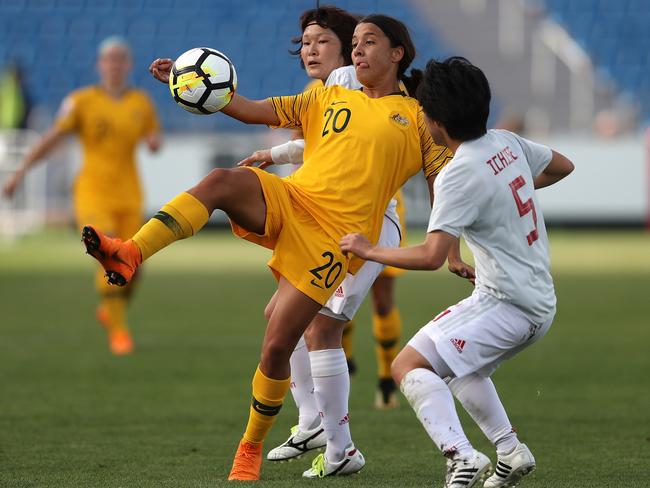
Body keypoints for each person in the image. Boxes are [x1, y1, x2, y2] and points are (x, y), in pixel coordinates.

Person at [83, 14, 454, 481]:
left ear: (397, 53)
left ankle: (251, 449)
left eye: (368, 42)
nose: (356, 50)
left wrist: (451, 247)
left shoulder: (418, 117)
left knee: (279, 343)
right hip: (293, 199)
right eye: (354, 42)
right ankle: (129, 253)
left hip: (336, 239)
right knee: (221, 182)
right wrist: (190, 81)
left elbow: (446, 182)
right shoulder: (328, 93)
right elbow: (251, 108)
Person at [340, 57, 574, 488]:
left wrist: (369, 249)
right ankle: (510, 450)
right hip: (534, 298)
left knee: (408, 365)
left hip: (509, 305)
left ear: (432, 121)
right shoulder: (507, 142)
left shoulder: (457, 173)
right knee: (460, 368)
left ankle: (462, 457)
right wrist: (502, 192)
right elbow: (563, 166)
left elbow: (431, 256)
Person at [236, 6, 413, 473]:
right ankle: (319, 426)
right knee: (279, 316)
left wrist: (274, 151)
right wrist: (275, 152)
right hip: (319, 221)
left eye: (324, 42)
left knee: (319, 326)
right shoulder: (329, 90)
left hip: (362, 225)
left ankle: (337, 445)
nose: (311, 51)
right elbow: (318, 139)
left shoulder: (369, 84)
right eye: (307, 43)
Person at [2, 37, 161, 355]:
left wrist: (154, 141)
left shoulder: (141, 103)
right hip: (92, 194)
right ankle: (118, 333)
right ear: (100, 65)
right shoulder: (81, 102)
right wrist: (20, 173)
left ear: (128, 65)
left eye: (120, 60)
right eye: (109, 60)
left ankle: (110, 309)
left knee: (136, 267)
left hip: (129, 195)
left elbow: (153, 137)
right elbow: (52, 138)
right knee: (110, 254)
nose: (114, 65)